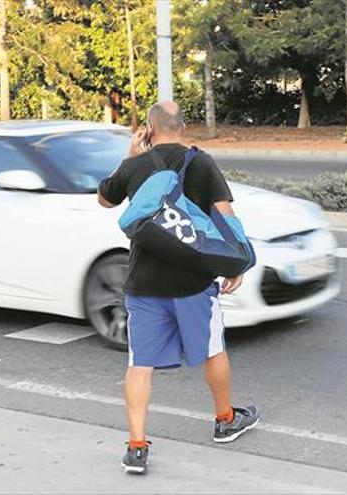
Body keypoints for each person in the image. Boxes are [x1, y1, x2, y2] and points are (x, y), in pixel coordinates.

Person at [97, 101, 260, 475]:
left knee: (140, 363)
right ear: (184, 126)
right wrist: (237, 262)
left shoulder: (135, 165)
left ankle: (136, 447)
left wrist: (129, 155)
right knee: (212, 351)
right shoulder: (201, 162)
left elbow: (105, 199)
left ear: (150, 129)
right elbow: (225, 216)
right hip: (193, 283)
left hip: (144, 284)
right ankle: (224, 419)